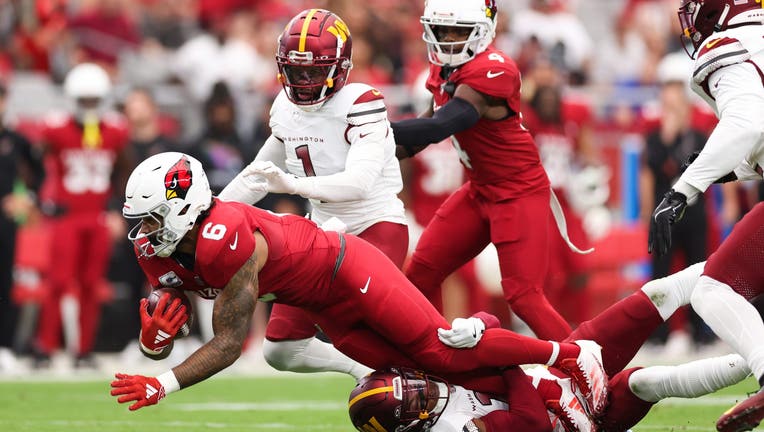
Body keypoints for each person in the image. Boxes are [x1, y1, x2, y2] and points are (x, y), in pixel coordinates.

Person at [108, 152, 607, 427]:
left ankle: (569, 353)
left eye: (151, 219)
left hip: (349, 270)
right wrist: (155, 343)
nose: (143, 233)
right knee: (417, 368)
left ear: (184, 208)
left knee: (439, 349)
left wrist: (165, 382)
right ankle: (547, 399)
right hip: (324, 305)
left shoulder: (225, 239)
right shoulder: (156, 249)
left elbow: (228, 343)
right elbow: (165, 315)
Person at [218, 8, 408, 380]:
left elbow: (358, 183)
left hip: (374, 226)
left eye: (315, 70)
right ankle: (367, 372)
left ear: (340, 68)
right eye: (295, 71)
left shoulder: (361, 102)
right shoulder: (285, 108)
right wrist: (209, 215)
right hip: (321, 233)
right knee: (282, 349)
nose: (304, 80)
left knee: (372, 331)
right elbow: (259, 176)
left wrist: (293, 186)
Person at [348, 262, 752, 432]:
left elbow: (482, 335)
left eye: (413, 384)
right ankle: (751, 362)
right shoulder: (457, 428)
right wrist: (508, 360)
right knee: (642, 383)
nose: (426, 390)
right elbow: (531, 423)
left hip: (558, 377)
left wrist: (477, 326)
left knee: (657, 295)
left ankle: (744, 257)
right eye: (416, 401)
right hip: (573, 423)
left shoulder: (426, 369)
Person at [390, 0, 587, 341]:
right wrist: (368, 148)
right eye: (441, 30)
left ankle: (584, 371)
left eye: (458, 31)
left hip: (517, 192)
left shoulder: (496, 68)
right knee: (420, 274)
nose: (448, 40)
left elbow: (444, 124)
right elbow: (424, 126)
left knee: (525, 298)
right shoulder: (445, 69)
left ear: (483, 31)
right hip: (479, 189)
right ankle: (433, 365)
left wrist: (371, 129)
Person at [647, 2, 764, 430]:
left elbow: (747, 126)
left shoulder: (727, 44)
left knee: (712, 289)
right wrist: (724, 169)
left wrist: (682, 189)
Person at [32, 62, 131, 368]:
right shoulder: (55, 128)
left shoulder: (115, 130)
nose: (89, 106)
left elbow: (123, 173)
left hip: (97, 215)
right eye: (83, 100)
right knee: (58, 282)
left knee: (91, 284)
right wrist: (43, 200)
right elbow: (34, 165)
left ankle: (84, 350)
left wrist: (116, 210)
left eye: (93, 100)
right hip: (67, 216)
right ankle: (45, 348)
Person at [0, 82, 45, 358]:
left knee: (4, 283)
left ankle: (3, 347)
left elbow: (39, 173)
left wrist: (27, 197)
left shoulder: (16, 140)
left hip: (5, 222)